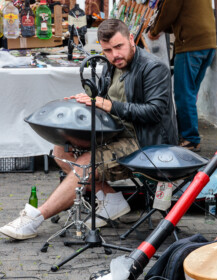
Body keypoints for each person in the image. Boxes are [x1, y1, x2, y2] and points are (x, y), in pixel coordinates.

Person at [0, 19, 178, 240]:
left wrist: (109, 105)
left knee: (85, 162)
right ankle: (111, 199)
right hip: (117, 132)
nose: (114, 55)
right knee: (62, 150)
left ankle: (35, 218)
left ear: (131, 39)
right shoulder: (111, 65)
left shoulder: (153, 67)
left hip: (147, 141)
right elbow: (103, 101)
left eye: (119, 47)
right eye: (108, 50)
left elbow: (155, 112)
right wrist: (84, 103)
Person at [148, 0, 217, 152]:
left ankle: (190, 139)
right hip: (208, 43)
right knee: (190, 92)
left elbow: (168, 12)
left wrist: (154, 31)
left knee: (183, 93)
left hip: (190, 44)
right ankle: (189, 135)